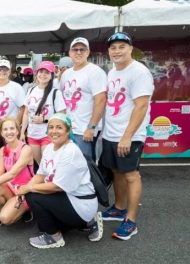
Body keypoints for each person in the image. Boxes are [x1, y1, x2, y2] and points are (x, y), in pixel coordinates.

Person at [17, 113, 102, 249]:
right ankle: (87, 223)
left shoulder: (70, 151)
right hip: (69, 197)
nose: (54, 131)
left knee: (33, 196)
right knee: (42, 218)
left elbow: (57, 187)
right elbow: (41, 174)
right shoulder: (50, 147)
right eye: (50, 127)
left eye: (59, 127)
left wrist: (27, 189)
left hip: (81, 202)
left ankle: (54, 237)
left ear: (68, 131)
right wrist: (26, 187)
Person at [101, 32, 154, 241]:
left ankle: (130, 221)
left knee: (131, 175)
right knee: (116, 171)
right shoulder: (112, 72)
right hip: (111, 133)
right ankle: (119, 207)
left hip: (129, 135)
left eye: (121, 46)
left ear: (131, 49)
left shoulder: (139, 72)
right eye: (113, 48)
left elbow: (141, 106)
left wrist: (127, 137)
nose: (117, 51)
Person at [0, 117, 34, 228]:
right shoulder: (2, 150)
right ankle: (5, 209)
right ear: (1, 133)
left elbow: (12, 173)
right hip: (10, 186)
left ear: (18, 131)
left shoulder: (26, 149)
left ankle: (25, 209)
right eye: (5, 129)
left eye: (12, 128)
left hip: (24, 190)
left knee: (5, 219)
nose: (9, 132)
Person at [60, 37, 107, 160]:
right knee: (70, 164)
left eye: (82, 49)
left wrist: (91, 127)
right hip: (69, 129)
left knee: (86, 167)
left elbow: (101, 100)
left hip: (84, 131)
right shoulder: (66, 74)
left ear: (88, 52)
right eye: (75, 49)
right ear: (70, 53)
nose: (78, 52)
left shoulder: (95, 72)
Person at [0, 59, 25, 173]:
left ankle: (11, 175)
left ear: (10, 71)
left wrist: (16, 126)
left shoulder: (16, 87)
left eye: (5, 69)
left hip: (9, 128)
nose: (2, 72)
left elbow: (22, 108)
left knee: (11, 152)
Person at [21, 61, 66, 165]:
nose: (43, 75)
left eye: (47, 72)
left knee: (48, 164)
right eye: (41, 72)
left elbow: (62, 116)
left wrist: (45, 119)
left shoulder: (55, 93)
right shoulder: (31, 90)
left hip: (49, 134)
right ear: (37, 74)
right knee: (40, 166)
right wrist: (23, 132)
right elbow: (26, 113)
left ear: (51, 75)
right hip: (32, 135)